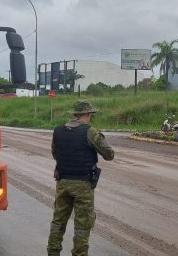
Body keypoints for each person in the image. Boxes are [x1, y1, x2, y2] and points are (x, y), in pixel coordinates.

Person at [47, 100, 115, 256]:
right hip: (83, 185)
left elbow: (55, 154)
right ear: (88, 115)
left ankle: (52, 252)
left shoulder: (58, 130)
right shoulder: (90, 132)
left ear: (74, 114)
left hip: (62, 182)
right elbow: (109, 155)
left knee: (58, 221)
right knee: (83, 226)